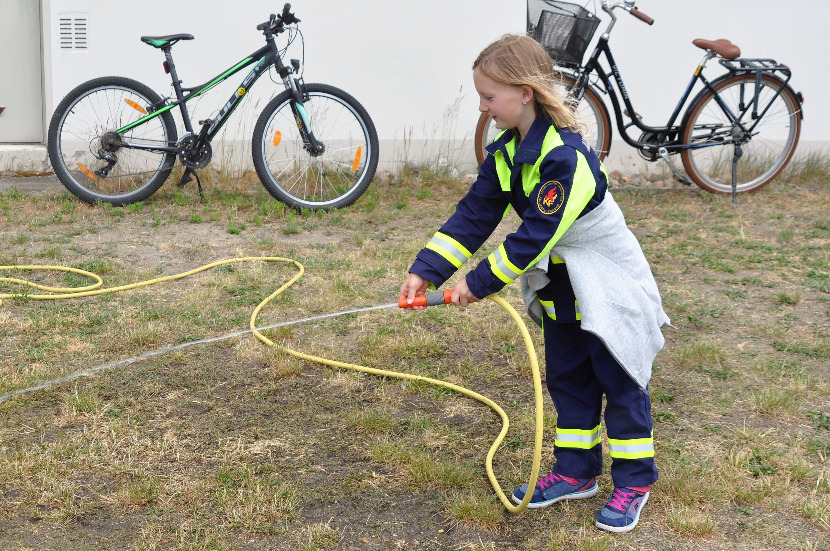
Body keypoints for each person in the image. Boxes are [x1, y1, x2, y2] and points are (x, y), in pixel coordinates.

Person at [399, 34, 670, 533]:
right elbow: (475, 214)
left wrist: (477, 283)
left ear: (525, 92)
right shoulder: (506, 151)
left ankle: (634, 480)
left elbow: (533, 239)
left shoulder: (564, 157)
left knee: (619, 376)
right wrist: (429, 269)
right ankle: (575, 472)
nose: (482, 107)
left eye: (489, 96)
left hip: (604, 279)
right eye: (480, 96)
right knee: (568, 377)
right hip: (562, 284)